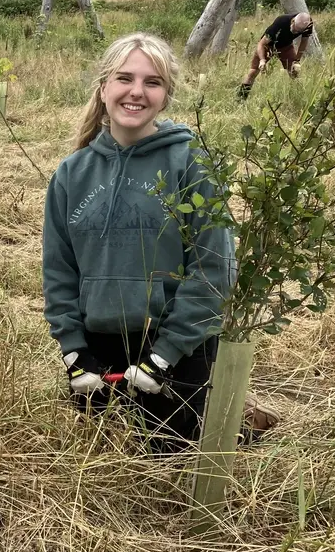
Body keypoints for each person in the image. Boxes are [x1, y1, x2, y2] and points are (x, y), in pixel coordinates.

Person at [42, 33, 236, 453]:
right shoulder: (71, 174)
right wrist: (74, 352)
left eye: (153, 82)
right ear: (104, 87)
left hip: (176, 351)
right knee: (100, 478)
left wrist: (163, 356)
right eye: (124, 78)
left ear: (166, 96)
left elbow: (213, 269)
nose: (136, 92)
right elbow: (59, 270)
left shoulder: (192, 164)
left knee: (166, 476)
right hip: (97, 353)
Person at [237, 12, 314, 100]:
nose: (296, 32)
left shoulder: (308, 24)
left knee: (294, 72)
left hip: (286, 46)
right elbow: (261, 44)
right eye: (295, 29)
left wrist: (297, 60)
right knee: (253, 71)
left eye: (299, 31)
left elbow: (304, 42)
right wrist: (262, 60)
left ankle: (301, 99)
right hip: (268, 45)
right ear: (293, 21)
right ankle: (241, 99)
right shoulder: (281, 21)